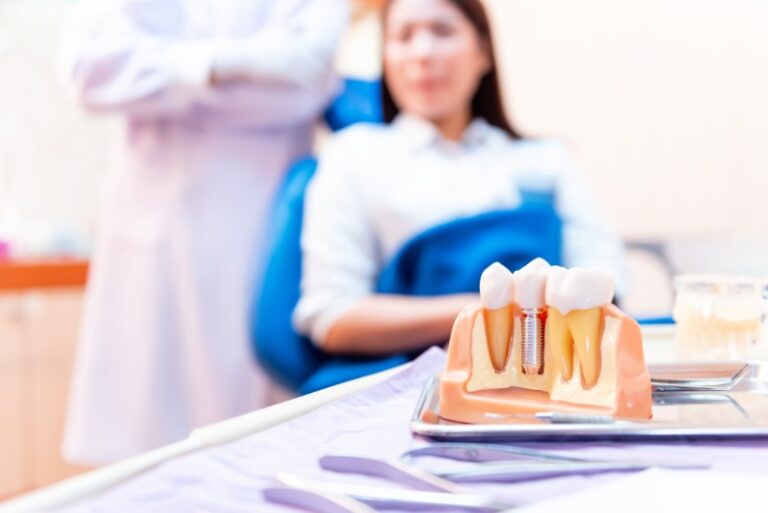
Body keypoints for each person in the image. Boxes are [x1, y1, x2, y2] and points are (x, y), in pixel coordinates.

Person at [61, 0, 348, 465]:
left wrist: (163, 78)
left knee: (248, 448)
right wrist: (228, 63)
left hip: (256, 227)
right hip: (150, 235)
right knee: (144, 448)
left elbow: (304, 81)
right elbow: (87, 72)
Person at [293, 0, 625, 356]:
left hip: (549, 369)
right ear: (385, 57)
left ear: (483, 51)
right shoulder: (354, 156)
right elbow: (331, 316)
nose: (422, 53)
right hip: (413, 378)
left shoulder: (547, 159)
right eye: (403, 36)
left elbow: (606, 280)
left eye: (443, 31)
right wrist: (487, 309)